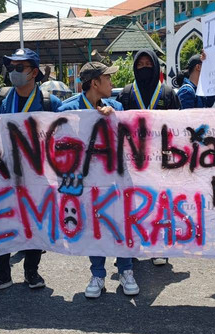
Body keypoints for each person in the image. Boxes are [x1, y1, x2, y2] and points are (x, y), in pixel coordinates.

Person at [0, 48, 62, 295]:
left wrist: (104, 112)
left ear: (34, 72)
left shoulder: (50, 103)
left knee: (34, 221)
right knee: (1, 222)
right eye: (10, 67)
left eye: (19, 67)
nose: (13, 72)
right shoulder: (0, 99)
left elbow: (76, 123)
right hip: (3, 174)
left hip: (37, 176)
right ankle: (1, 274)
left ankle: (31, 270)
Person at [58, 61, 140, 298]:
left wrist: (114, 119)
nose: (112, 83)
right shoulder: (67, 110)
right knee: (94, 225)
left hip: (116, 179)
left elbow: (130, 137)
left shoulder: (115, 106)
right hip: (86, 183)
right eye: (108, 78)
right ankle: (98, 274)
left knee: (120, 224)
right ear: (95, 83)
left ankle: (126, 271)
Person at [116, 49, 180, 266]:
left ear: (155, 66)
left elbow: (179, 127)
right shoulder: (125, 94)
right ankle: (133, 244)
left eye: (148, 64)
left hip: (161, 159)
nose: (144, 68)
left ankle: (159, 246)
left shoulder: (168, 93)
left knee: (160, 202)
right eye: (140, 64)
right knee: (134, 203)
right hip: (131, 160)